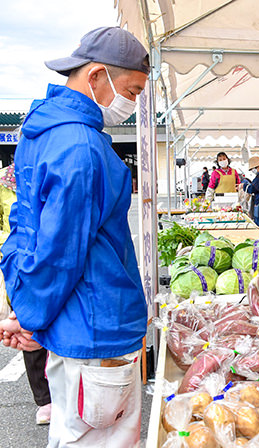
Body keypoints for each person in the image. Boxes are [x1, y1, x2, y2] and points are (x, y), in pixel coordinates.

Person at [0, 27, 149, 447]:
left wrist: (26, 312)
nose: (132, 104)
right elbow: (59, 254)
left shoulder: (42, 132)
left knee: (73, 434)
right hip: (97, 326)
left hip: (74, 325)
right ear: (97, 77)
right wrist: (29, 318)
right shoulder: (80, 146)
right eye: (132, 91)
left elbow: (25, 230)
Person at [0, 164, 52, 425]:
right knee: (28, 333)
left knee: (40, 329)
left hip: (40, 267)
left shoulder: (48, 179)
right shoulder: (8, 187)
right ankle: (44, 399)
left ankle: (55, 395)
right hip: (17, 268)